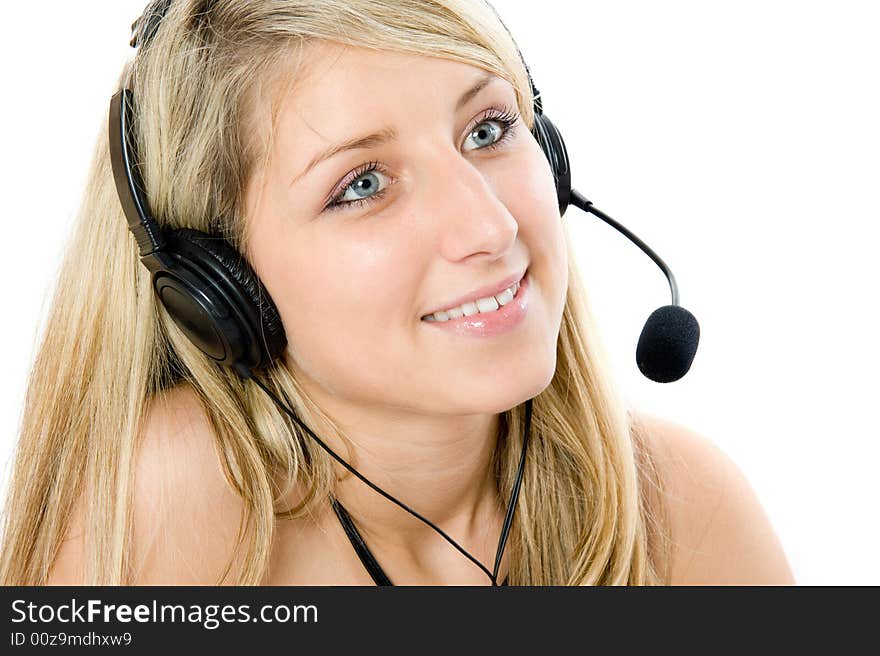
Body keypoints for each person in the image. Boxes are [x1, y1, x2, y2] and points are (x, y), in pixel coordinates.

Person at [0, 0, 793, 586]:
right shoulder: (179, 504)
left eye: (486, 130)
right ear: (218, 286)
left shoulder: (678, 506)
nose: (487, 226)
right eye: (364, 184)